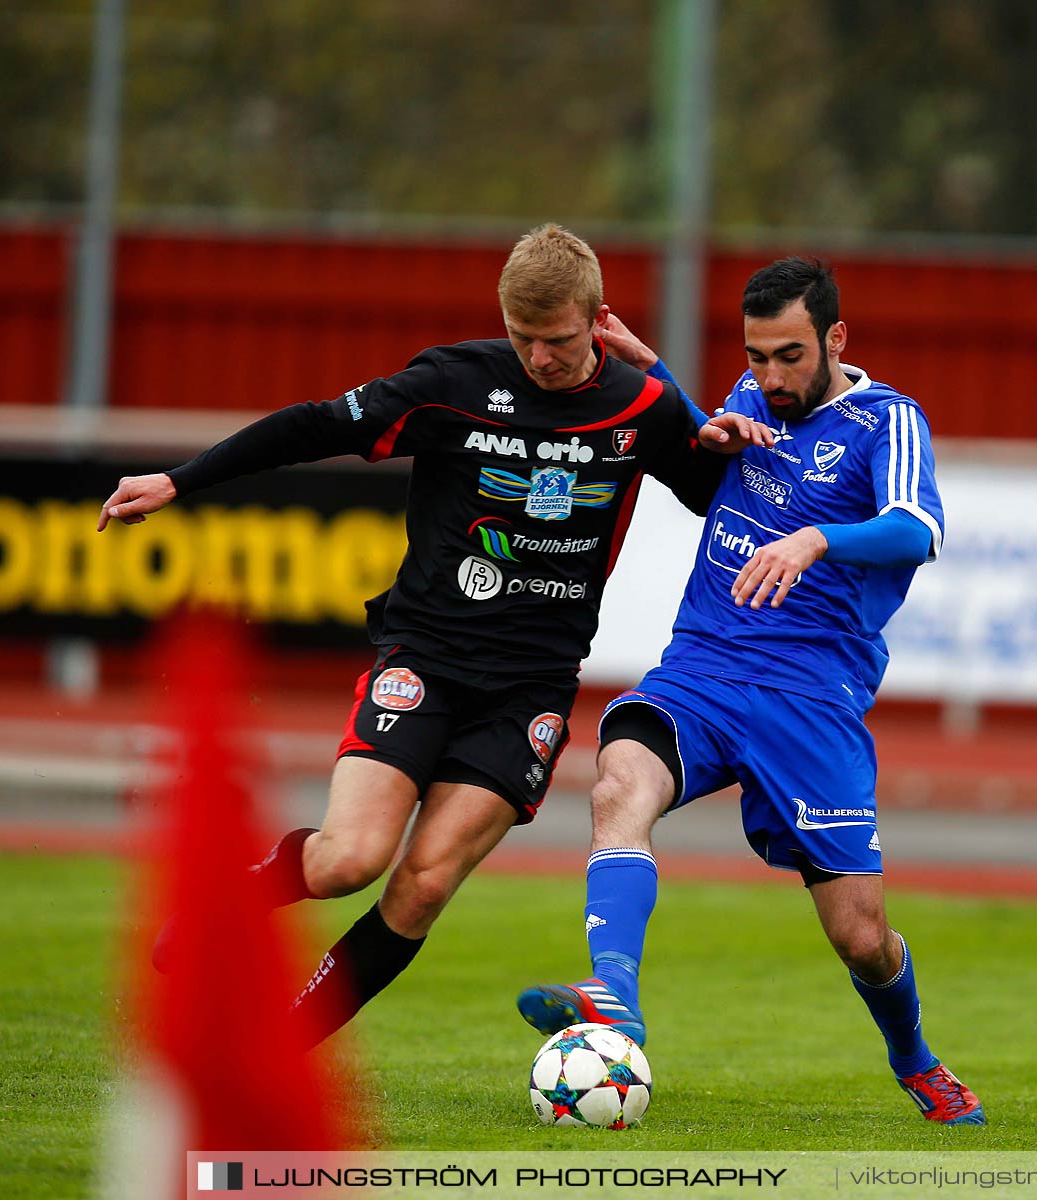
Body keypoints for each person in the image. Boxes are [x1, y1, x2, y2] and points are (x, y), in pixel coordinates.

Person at [97, 224, 769, 1048]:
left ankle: (281, 1047)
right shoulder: (452, 380)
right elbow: (313, 426)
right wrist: (180, 477)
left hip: (530, 688)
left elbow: (719, 493)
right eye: (523, 338)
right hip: (425, 659)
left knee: (421, 886)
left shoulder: (640, 405)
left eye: (556, 341)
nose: (539, 359)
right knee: (349, 860)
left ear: (597, 321)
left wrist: (699, 410)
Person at [515, 258, 984, 1125]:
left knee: (861, 938)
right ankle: (615, 992)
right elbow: (718, 458)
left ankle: (916, 1061)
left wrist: (816, 540)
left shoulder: (889, 422)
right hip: (704, 669)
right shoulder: (753, 395)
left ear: (836, 339)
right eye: (757, 357)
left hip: (811, 698)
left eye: (789, 356)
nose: (770, 378)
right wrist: (661, 379)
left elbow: (918, 529)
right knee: (620, 781)